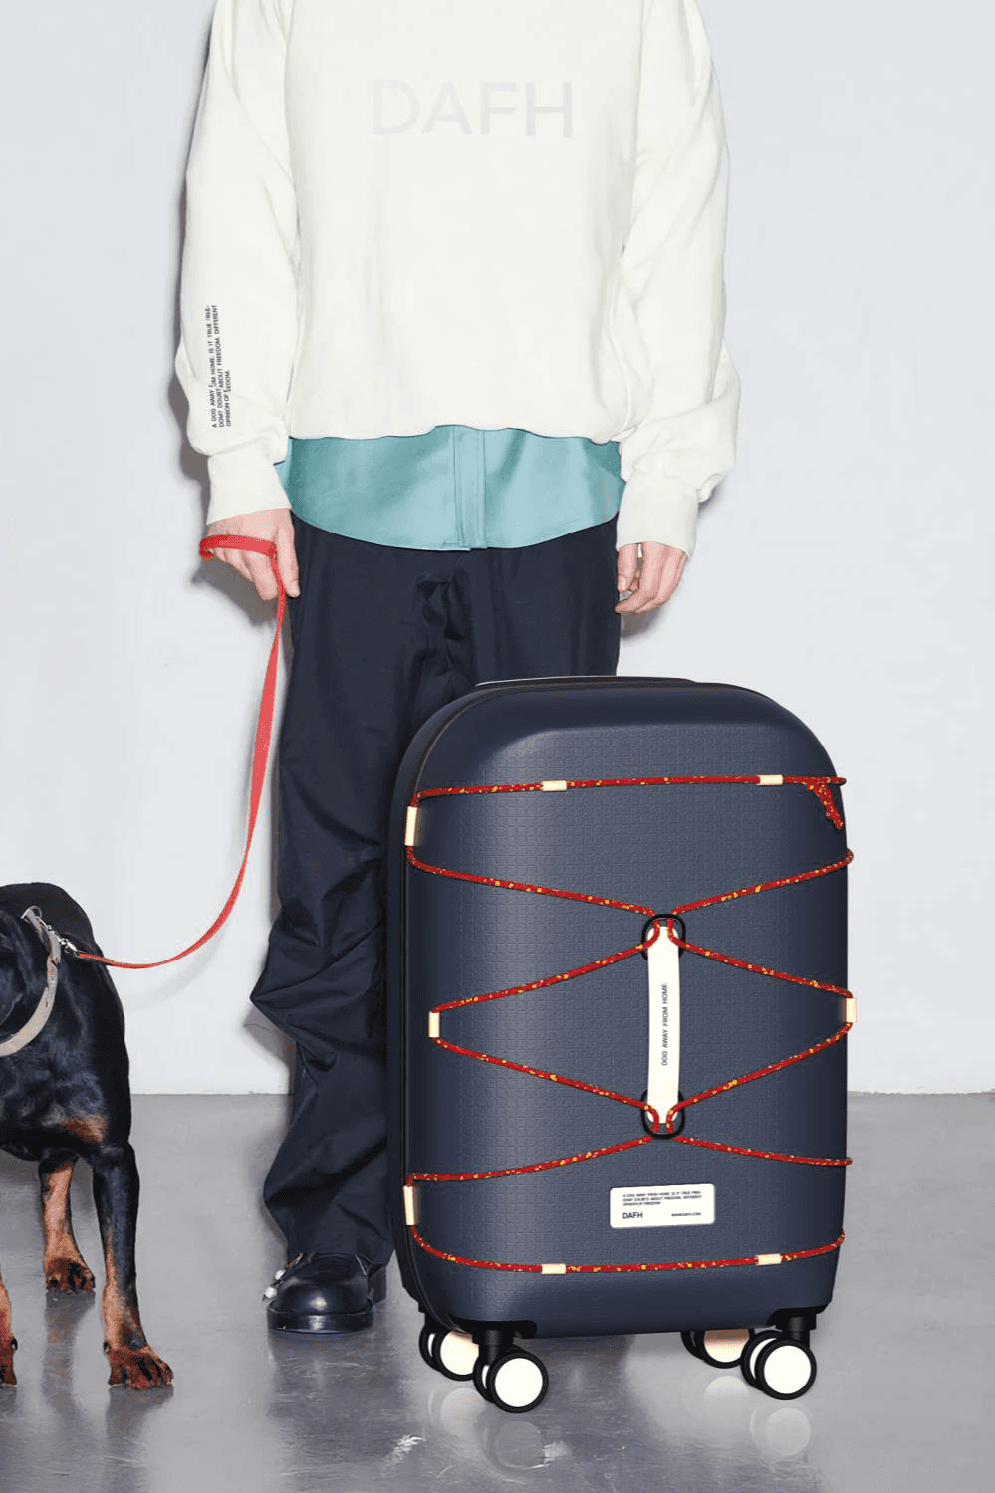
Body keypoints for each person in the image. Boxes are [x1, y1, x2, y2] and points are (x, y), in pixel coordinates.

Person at [175, 0, 739, 1334]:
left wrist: (668, 472)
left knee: (561, 877)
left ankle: (550, 1209)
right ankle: (338, 1225)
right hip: (350, 482)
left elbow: (676, 219)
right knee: (343, 867)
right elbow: (240, 201)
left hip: (559, 485)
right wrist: (240, 459)